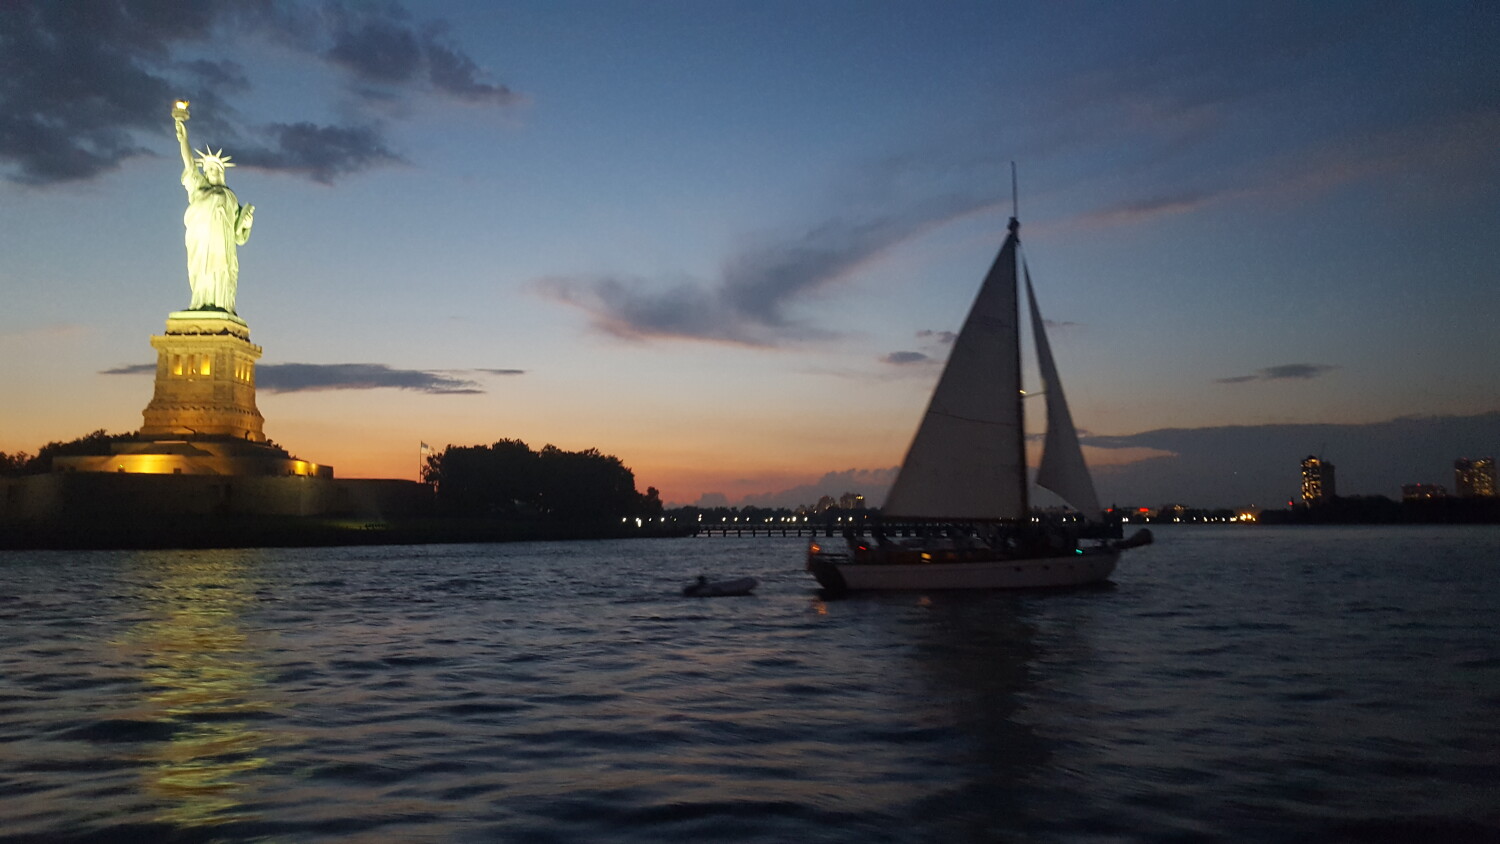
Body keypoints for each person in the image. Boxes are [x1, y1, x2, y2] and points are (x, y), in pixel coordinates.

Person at [176, 116, 253, 313]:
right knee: (202, 272)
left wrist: (246, 222)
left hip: (223, 246)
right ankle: (201, 302)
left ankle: (221, 304)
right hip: (201, 243)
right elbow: (190, 166)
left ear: (221, 171)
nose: (210, 172)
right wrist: (184, 140)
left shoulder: (230, 197)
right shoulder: (199, 189)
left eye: (213, 168)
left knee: (222, 271)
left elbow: (238, 235)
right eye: (207, 169)